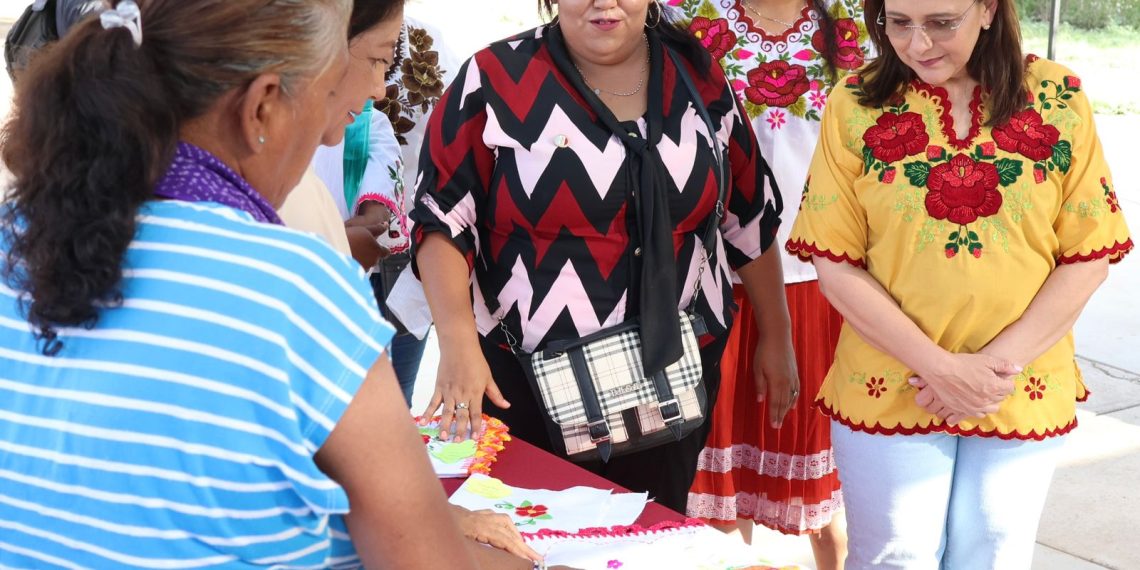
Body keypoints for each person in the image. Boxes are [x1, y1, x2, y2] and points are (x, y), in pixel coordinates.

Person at [0, 0, 538, 567]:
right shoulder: (294, 291)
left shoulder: (18, 236)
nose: (331, 140)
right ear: (261, 108)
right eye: (325, 97)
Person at [785, 0, 1132, 567]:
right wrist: (945, 371)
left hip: (1020, 380)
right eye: (898, 23)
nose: (918, 45)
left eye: (941, 23)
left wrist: (991, 372)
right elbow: (836, 264)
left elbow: (1088, 254)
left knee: (993, 552)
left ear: (988, 10)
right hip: (891, 378)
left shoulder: (1057, 95)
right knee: (896, 555)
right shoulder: (855, 102)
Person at [410, 0, 793, 513]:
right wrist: (457, 347)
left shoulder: (697, 75)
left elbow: (747, 214)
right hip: (521, 383)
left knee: (646, 535)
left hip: (672, 376)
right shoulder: (495, 77)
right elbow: (441, 219)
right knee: (526, 537)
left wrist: (778, 335)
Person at [674, 1, 871, 567]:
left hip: (826, 279)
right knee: (716, 471)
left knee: (830, 478)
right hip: (710, 281)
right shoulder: (681, 16)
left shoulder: (864, 20)